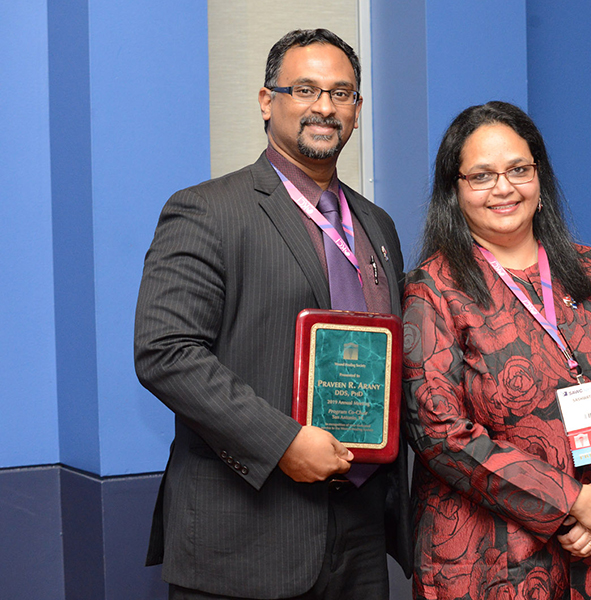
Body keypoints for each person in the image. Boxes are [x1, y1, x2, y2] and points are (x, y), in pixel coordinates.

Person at [134, 29, 411, 599]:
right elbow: (166, 353)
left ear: (357, 112)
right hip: (246, 536)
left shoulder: (377, 226)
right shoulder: (206, 210)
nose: (324, 107)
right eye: (305, 89)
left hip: (359, 533)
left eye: (341, 94)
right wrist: (282, 441)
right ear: (267, 101)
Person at [402, 101, 591, 599]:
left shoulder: (588, 269)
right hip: (489, 563)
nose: (504, 187)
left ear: (539, 179)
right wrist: (572, 502)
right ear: (454, 191)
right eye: (481, 175)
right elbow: (440, 434)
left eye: (519, 169)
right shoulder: (434, 289)